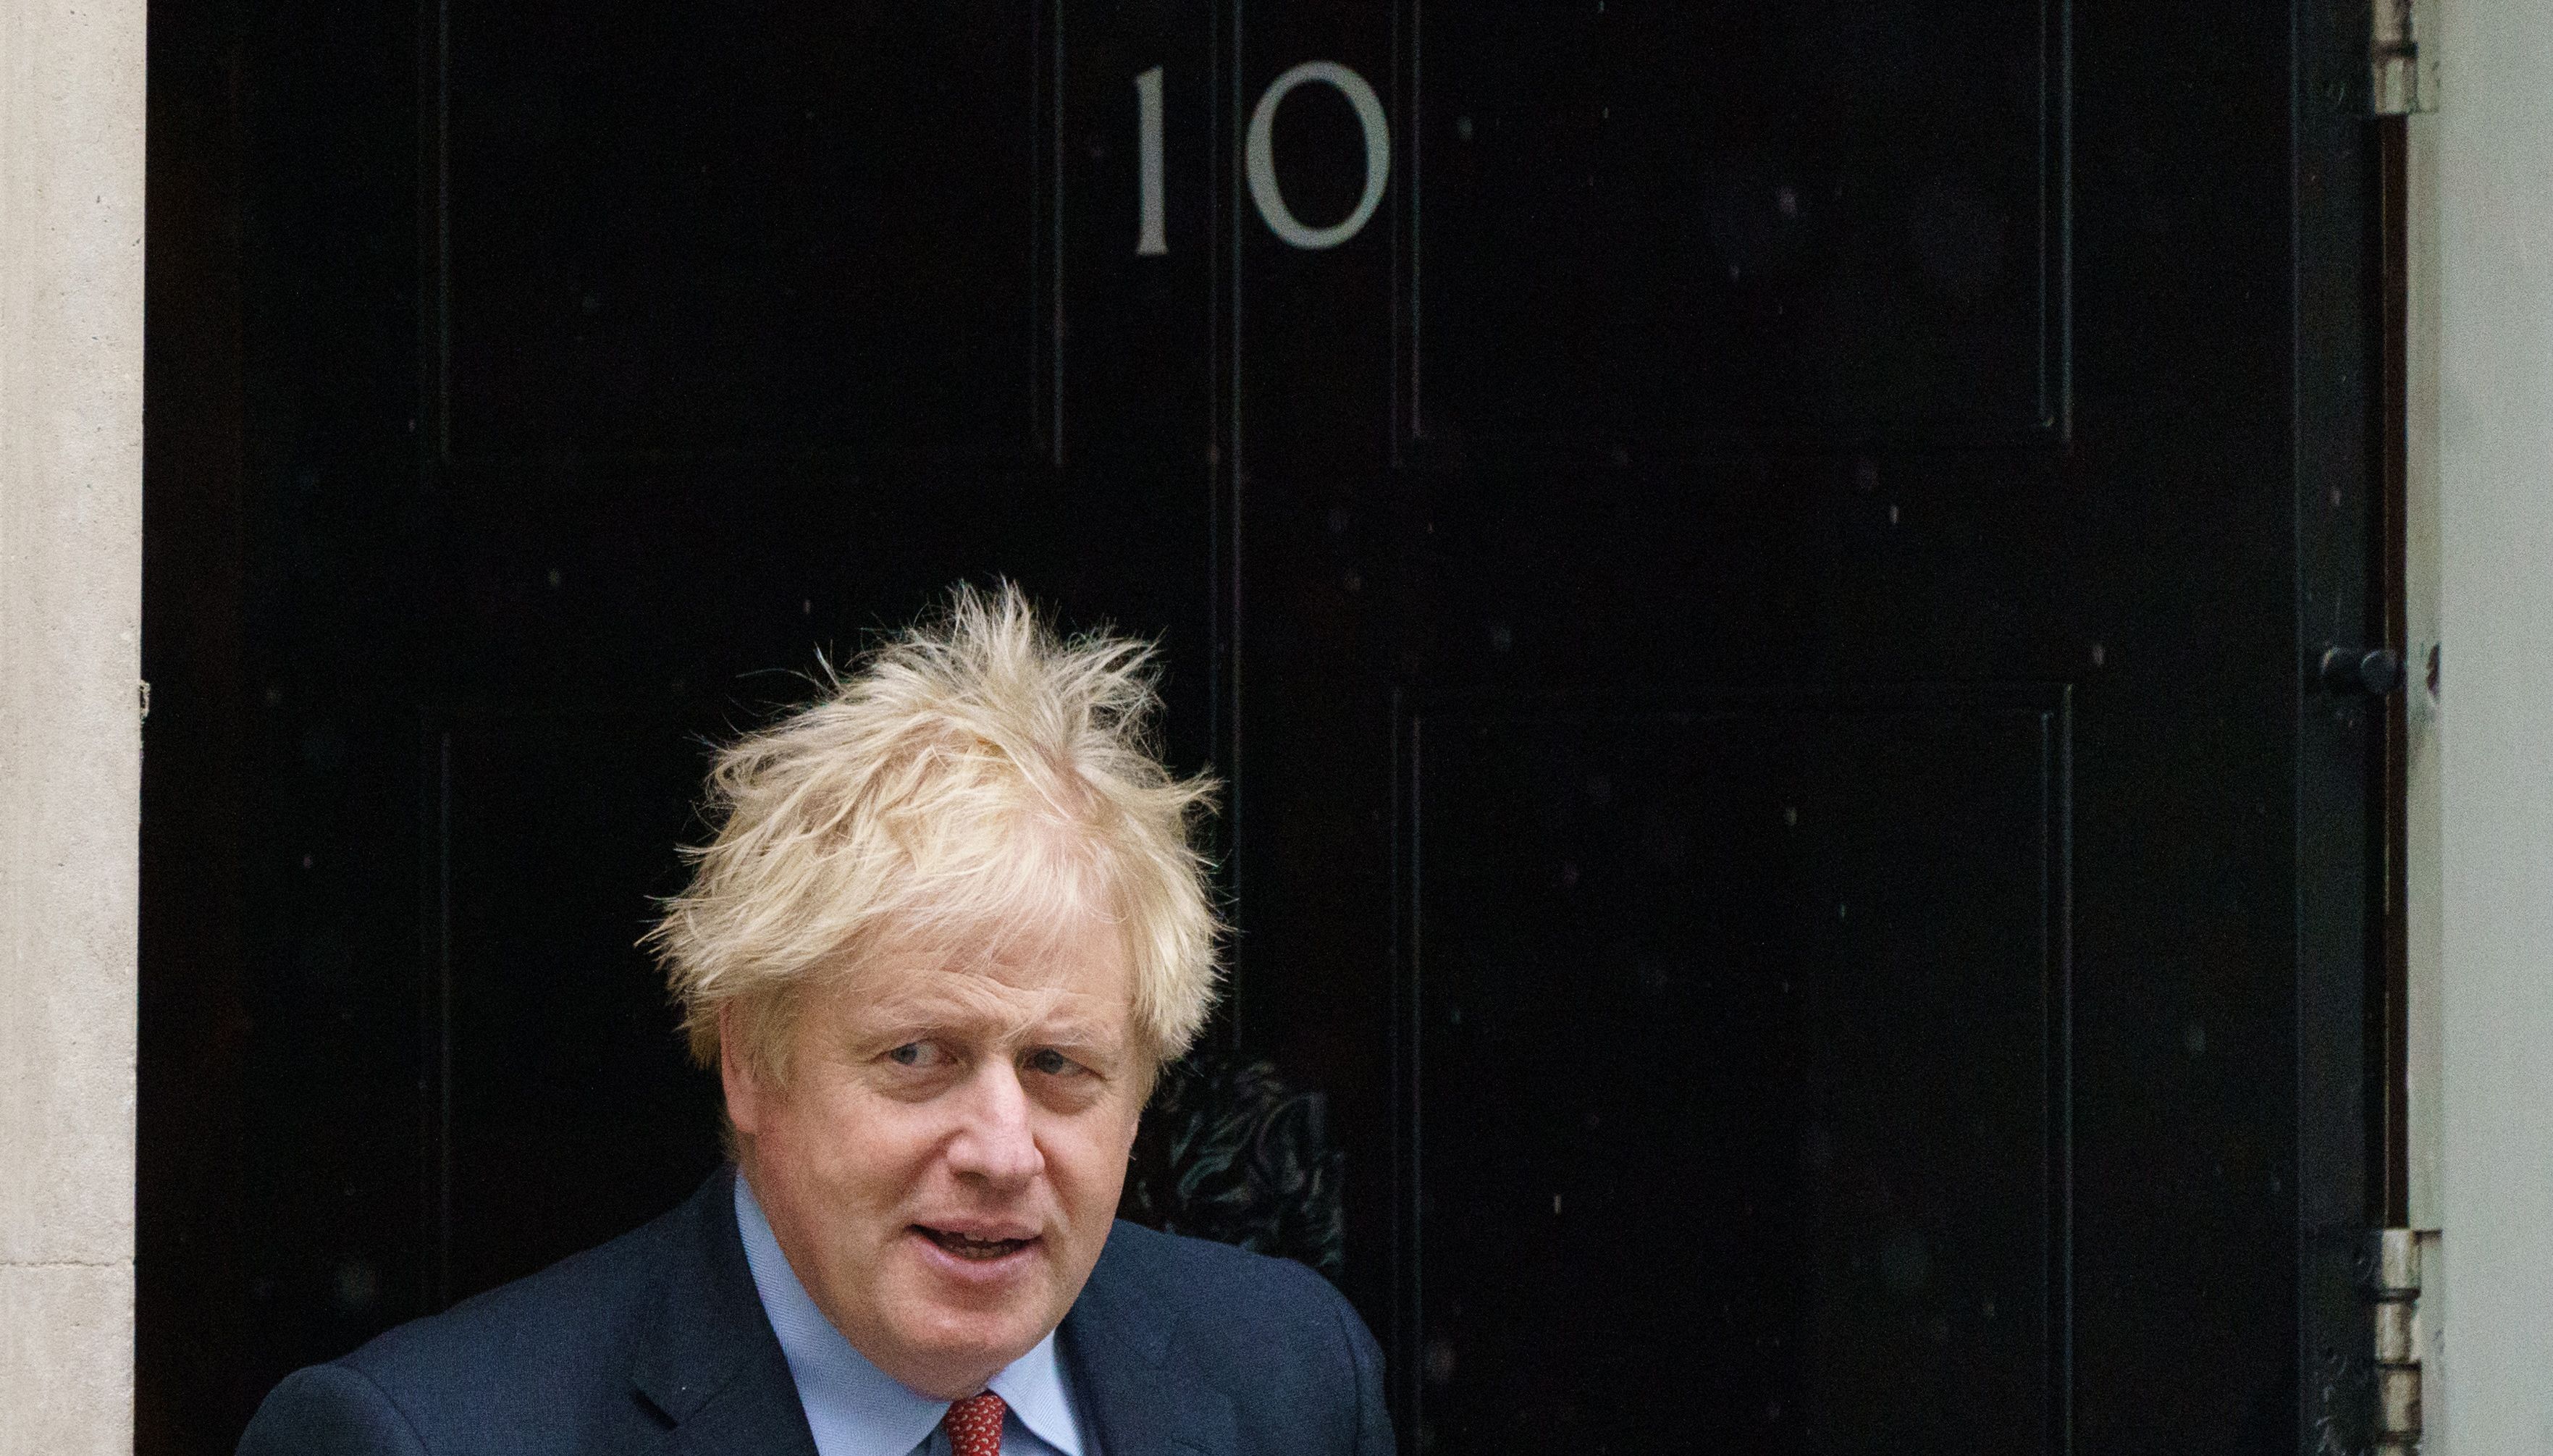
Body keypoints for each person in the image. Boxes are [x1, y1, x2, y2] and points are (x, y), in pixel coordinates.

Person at [237, 584, 1392, 1456]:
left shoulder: (1291, 1381)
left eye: (1058, 1065)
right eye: (918, 1058)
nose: (1000, 1150)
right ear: (750, 1059)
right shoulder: (426, 1439)